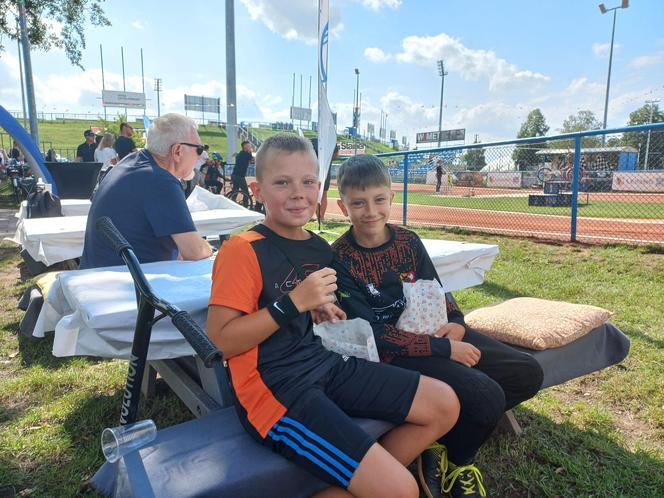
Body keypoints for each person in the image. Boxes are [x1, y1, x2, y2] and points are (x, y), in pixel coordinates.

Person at [206, 133, 460, 498]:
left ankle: (356, 483)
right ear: (256, 189)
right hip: (275, 393)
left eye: (308, 181)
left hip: (325, 364)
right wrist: (293, 303)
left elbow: (299, 303)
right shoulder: (241, 250)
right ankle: (373, 483)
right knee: (402, 491)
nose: (298, 193)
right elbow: (219, 342)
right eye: (282, 182)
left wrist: (316, 307)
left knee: (444, 404)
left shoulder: (316, 246)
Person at [330, 155, 544, 498]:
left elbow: (435, 290)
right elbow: (373, 333)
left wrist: (457, 324)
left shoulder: (408, 241)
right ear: (343, 207)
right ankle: (459, 461)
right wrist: (446, 349)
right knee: (485, 394)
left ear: (391, 199)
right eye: (359, 203)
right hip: (394, 353)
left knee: (527, 373)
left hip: (437, 331)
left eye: (379, 200)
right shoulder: (340, 258)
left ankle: (440, 440)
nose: (371, 211)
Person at [80, 113, 213, 269]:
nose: (200, 157)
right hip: (128, 284)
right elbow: (195, 252)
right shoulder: (160, 180)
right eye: (199, 149)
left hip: (97, 277)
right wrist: (211, 248)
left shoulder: (131, 162)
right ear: (177, 151)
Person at [310, 137, 340, 224]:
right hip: (324, 172)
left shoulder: (312, 141)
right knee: (323, 195)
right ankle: (321, 218)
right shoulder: (330, 142)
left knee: (315, 195)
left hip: (313, 172)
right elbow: (336, 155)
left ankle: (318, 217)